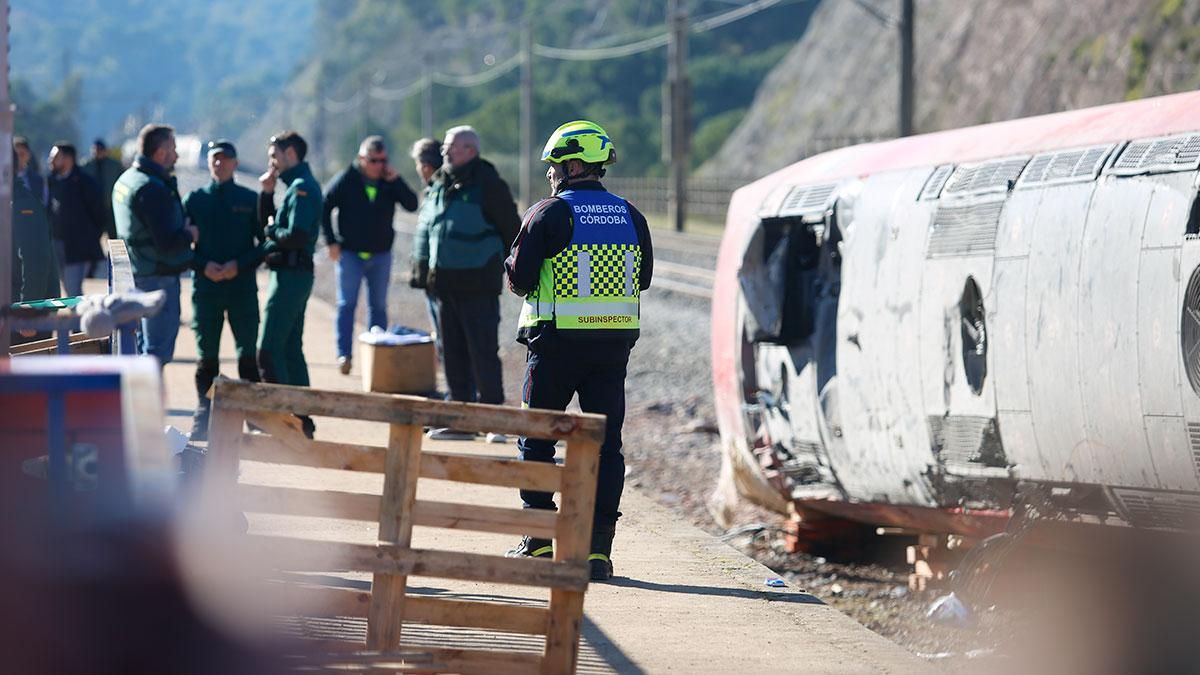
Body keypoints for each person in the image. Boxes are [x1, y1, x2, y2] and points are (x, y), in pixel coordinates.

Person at [502, 121, 654, 581]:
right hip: (612, 349)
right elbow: (642, 279)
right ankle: (596, 550)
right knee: (605, 448)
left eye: (553, 166)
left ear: (571, 165)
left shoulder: (548, 214)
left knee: (538, 437)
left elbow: (520, 279)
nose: (550, 174)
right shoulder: (631, 215)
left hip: (554, 345)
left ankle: (541, 541)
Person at [412, 126, 519, 441]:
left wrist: (499, 267)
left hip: (478, 284)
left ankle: (494, 419)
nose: (444, 152)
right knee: (452, 352)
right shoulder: (439, 184)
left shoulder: (489, 184)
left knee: (482, 351)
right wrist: (422, 272)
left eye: (451, 147)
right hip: (444, 284)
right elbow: (429, 226)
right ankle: (460, 420)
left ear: (470, 150)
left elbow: (512, 231)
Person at [183, 140, 265, 441]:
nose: (220, 164)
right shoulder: (195, 200)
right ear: (209, 163)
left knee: (247, 354)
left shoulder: (248, 199)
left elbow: (264, 245)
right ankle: (205, 413)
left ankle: (254, 416)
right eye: (215, 159)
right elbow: (180, 244)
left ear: (235, 163)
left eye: (226, 159)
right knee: (207, 356)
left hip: (241, 287)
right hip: (206, 288)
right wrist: (202, 265)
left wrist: (238, 265)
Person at [322, 135, 417, 374]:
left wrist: (397, 181)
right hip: (350, 254)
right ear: (362, 159)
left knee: (378, 307)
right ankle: (344, 354)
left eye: (382, 160)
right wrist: (331, 241)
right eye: (373, 160)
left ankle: (377, 359)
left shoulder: (389, 181)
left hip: (381, 255)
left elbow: (412, 204)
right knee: (347, 304)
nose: (378, 165)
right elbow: (324, 206)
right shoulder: (347, 179)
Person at [113, 124, 199, 367]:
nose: (177, 155)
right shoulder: (151, 189)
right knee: (155, 355)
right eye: (173, 148)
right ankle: (147, 405)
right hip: (157, 278)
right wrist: (190, 234)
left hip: (137, 272)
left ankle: (137, 404)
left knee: (141, 347)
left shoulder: (127, 179)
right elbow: (167, 243)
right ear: (160, 153)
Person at [257, 131, 322, 438]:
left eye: (275, 156)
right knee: (290, 350)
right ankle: (301, 420)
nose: (272, 162)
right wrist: (266, 196)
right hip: (290, 275)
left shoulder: (302, 189)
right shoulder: (296, 187)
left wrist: (272, 230)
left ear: (291, 154)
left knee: (269, 349)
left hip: (291, 277)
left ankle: (285, 421)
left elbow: (294, 236)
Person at [408, 137, 459, 377]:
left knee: (446, 335)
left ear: (426, 166)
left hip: (438, 275)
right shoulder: (437, 190)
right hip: (435, 274)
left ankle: (456, 389)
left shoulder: (439, 192)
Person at [47, 143, 106, 297]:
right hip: (57, 244)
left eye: (55, 157)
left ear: (68, 159)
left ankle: (79, 319)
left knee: (73, 289)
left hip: (78, 247)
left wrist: (92, 235)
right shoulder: (51, 181)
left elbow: (98, 212)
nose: (50, 160)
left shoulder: (85, 182)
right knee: (66, 286)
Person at [83, 138, 124, 279]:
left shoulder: (114, 166)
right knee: (92, 241)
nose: (98, 153)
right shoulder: (86, 166)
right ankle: (90, 270)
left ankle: (119, 270)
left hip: (112, 209)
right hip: (93, 210)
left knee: (116, 241)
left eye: (100, 150)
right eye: (95, 150)